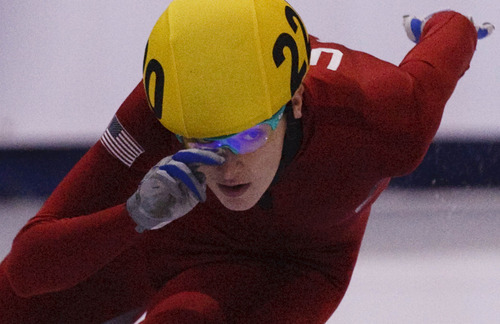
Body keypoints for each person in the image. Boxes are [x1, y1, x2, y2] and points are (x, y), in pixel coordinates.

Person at [0, 0, 494, 323]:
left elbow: (448, 41)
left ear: (296, 99)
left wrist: (445, 24)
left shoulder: (382, 115)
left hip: (288, 268)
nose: (227, 167)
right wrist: (131, 217)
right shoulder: (160, 109)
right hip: (164, 238)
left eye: (248, 135)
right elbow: (26, 271)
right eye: (202, 144)